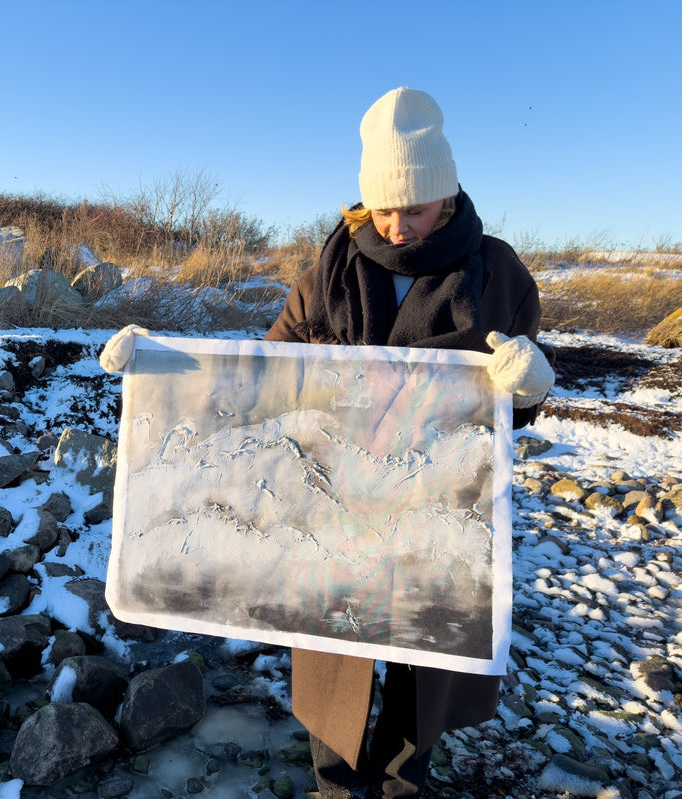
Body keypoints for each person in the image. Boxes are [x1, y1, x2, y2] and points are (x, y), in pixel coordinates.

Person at [101, 87, 554, 798]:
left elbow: (511, 411)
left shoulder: (499, 273)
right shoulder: (329, 273)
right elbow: (262, 383)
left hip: (436, 511)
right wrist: (161, 367)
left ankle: (407, 780)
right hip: (330, 508)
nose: (399, 224)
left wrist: (528, 388)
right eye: (385, 207)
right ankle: (335, 787)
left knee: (423, 662)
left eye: (416, 206)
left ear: (448, 193)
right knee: (335, 662)